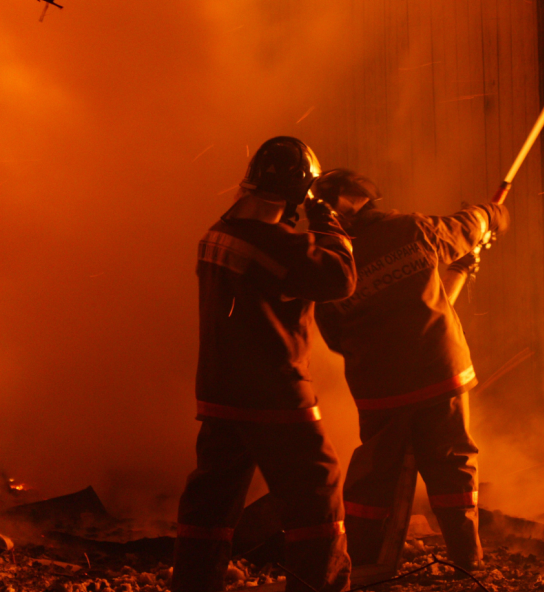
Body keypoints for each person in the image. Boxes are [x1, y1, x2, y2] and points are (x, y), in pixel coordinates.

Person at [172, 137, 356, 592]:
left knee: (211, 503)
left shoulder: (217, 232)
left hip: (221, 392)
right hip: (275, 395)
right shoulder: (277, 245)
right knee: (318, 492)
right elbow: (340, 278)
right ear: (298, 193)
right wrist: (327, 221)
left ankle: (195, 584)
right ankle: (320, 586)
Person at [311, 169, 508, 572]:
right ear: (367, 199)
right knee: (453, 465)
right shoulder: (411, 230)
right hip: (439, 374)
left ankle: (363, 561)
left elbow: (334, 337)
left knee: (373, 477)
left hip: (380, 388)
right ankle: (467, 559)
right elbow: (466, 226)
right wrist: (491, 214)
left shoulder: (328, 263)